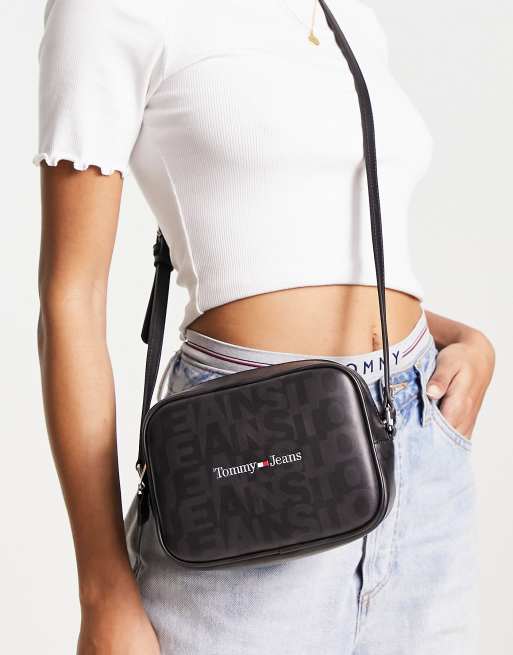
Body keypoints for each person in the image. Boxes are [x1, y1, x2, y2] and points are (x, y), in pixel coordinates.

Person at [35, 1, 495, 654]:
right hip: (251, 457)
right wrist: (102, 589)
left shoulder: (341, 13)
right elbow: (70, 300)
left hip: (419, 452)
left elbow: (320, 249)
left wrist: (464, 339)